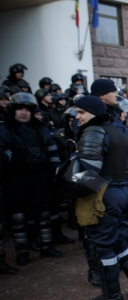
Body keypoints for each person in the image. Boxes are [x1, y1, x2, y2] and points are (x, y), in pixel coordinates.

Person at [73, 96, 128, 300]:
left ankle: (112, 294)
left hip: (103, 194)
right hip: (121, 190)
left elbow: (89, 171)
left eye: (81, 112)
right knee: (119, 241)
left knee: (103, 246)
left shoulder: (94, 131)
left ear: (93, 112)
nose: (77, 116)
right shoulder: (117, 131)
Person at [0, 93, 63, 265]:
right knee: (19, 217)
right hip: (16, 178)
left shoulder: (40, 128)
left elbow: (52, 151)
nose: (23, 113)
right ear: (13, 111)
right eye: (20, 109)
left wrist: (56, 169)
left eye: (27, 110)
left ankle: (46, 246)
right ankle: (22, 251)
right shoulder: (4, 129)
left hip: (41, 176)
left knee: (44, 213)